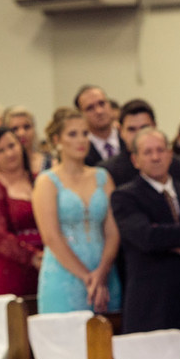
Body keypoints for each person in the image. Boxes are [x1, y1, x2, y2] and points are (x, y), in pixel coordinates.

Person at [111, 127, 180, 333]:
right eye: (147, 152)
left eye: (160, 150)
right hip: (151, 306)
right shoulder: (125, 196)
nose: (156, 157)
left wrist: (172, 241)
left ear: (170, 154)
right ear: (135, 160)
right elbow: (147, 237)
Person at [33, 107, 121, 314]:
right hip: (64, 274)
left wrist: (101, 272)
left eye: (84, 134)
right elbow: (51, 236)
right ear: (57, 140)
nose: (81, 140)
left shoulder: (102, 177)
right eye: (72, 134)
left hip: (104, 271)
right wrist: (86, 277)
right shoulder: (47, 182)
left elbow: (113, 231)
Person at [0, 126, 43, 297]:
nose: (9, 154)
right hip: (8, 268)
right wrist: (31, 257)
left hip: (47, 263)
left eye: (12, 146)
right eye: (1, 150)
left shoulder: (40, 181)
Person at [97, 99, 180, 188]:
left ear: (155, 126)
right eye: (132, 129)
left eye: (144, 128)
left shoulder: (177, 165)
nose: (139, 134)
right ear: (121, 131)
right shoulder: (108, 172)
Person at [74, 85, 122, 166]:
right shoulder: (80, 153)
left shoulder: (127, 139)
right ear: (81, 115)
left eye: (102, 103)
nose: (99, 111)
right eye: (90, 108)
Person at [3, 106, 52, 175]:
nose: (21, 133)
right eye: (15, 129)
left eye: (26, 127)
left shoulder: (51, 163)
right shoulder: (2, 167)